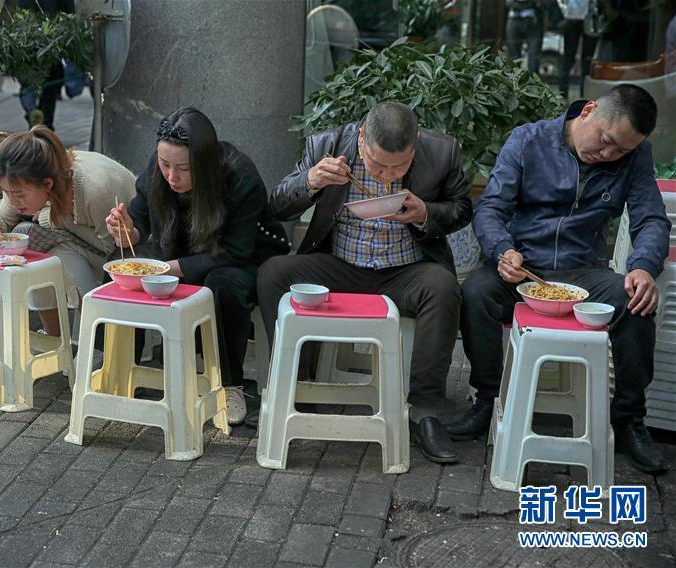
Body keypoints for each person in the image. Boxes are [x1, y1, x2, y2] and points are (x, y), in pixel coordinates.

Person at [448, 84, 670, 475]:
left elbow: (651, 218)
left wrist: (642, 267)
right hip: (521, 265)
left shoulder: (634, 158)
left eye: (621, 151)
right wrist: (503, 249)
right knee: (476, 291)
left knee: (634, 300)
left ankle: (630, 419)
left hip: (584, 270)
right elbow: (491, 208)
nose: (608, 155)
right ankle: (486, 399)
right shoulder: (528, 140)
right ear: (588, 111)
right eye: (606, 141)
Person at [257, 101, 473, 464]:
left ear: (416, 142)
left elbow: (462, 209)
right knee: (274, 274)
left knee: (443, 286)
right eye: (377, 164)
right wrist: (310, 181)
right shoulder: (327, 146)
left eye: (400, 165)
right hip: (339, 265)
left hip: (405, 270)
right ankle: (297, 385)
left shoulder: (442, 151)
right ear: (361, 140)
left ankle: (425, 410)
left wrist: (427, 213)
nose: (388, 174)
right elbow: (276, 206)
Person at [106, 108, 290, 425]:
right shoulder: (158, 170)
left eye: (183, 169)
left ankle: (229, 384)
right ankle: (120, 368)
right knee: (118, 265)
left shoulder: (240, 176)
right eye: (165, 165)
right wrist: (127, 232)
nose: (172, 177)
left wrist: (167, 269)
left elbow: (235, 251)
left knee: (222, 285)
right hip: (178, 251)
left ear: (203, 164)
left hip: (240, 259)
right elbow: (139, 222)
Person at [0, 126, 136, 337]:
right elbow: (1, 228)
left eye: (18, 195)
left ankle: (96, 339)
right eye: (7, 193)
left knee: (54, 249)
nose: (14, 201)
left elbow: (113, 250)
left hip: (129, 254)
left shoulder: (95, 189)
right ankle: (54, 335)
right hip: (90, 246)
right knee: (27, 235)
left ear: (47, 183)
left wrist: (51, 219)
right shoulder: (21, 180)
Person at [17, 0, 73, 130]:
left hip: (27, 38)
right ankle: (45, 122)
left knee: (29, 83)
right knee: (50, 84)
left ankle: (33, 114)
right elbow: (69, 8)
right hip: (51, 37)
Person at [505, 0, 546, 74]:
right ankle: (514, 82)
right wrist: (529, 4)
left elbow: (543, 4)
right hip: (514, 20)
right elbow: (509, 3)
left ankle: (533, 82)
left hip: (533, 21)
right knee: (514, 57)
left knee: (534, 57)